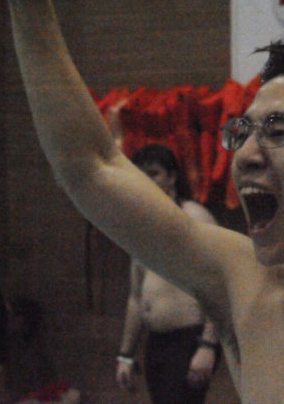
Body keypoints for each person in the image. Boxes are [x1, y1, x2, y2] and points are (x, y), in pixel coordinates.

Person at [0, 0, 284, 403]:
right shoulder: (240, 277)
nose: (247, 156)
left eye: (279, 131)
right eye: (243, 131)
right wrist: (28, 0)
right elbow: (91, 166)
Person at [114, 144, 220, 403]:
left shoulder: (194, 218)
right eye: (141, 175)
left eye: (154, 174)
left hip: (187, 340)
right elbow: (137, 297)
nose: (146, 182)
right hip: (156, 342)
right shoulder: (142, 226)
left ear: (172, 177)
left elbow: (221, 285)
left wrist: (208, 346)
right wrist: (126, 354)